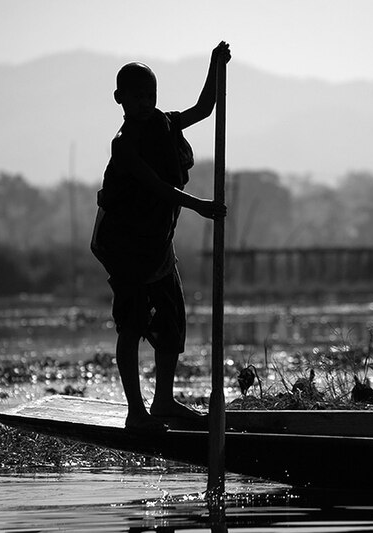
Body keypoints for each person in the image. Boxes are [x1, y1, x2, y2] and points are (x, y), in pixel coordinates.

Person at [91, 42, 230, 431]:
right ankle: (136, 412)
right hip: (126, 246)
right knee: (132, 325)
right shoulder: (125, 143)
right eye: (136, 98)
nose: (144, 104)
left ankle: (163, 402)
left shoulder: (164, 123)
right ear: (120, 99)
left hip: (157, 244)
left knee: (171, 322)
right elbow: (154, 186)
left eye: (149, 96)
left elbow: (205, 109)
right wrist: (199, 205)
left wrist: (215, 65)